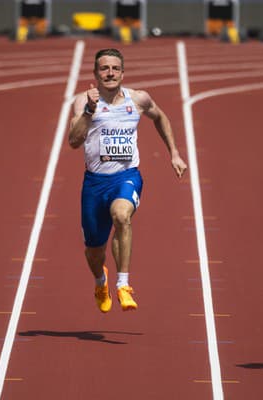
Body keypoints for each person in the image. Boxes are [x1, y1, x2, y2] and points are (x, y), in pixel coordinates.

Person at [68, 48, 188, 313]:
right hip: (94, 184)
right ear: (95, 73)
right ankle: (101, 281)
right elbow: (74, 142)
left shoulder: (139, 99)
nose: (110, 73)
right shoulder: (82, 102)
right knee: (94, 252)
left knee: (122, 215)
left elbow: (161, 118)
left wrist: (175, 153)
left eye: (115, 68)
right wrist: (89, 110)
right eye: (104, 68)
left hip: (127, 176)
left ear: (123, 72)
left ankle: (124, 285)